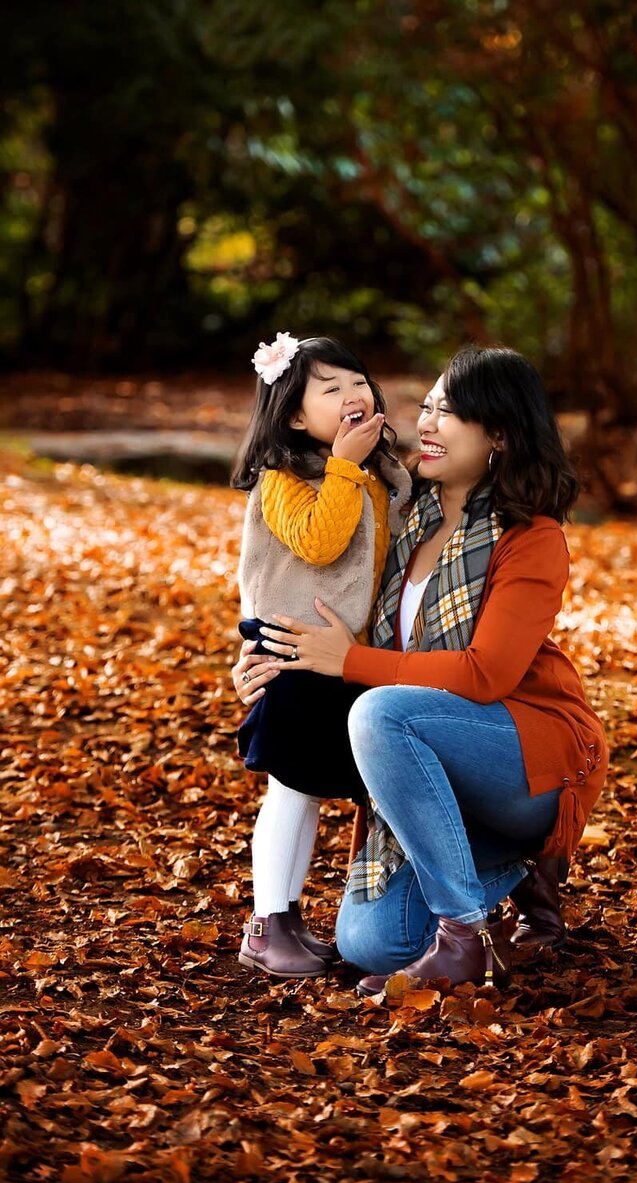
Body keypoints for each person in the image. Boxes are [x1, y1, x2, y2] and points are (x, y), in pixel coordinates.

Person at [236, 346, 607, 996]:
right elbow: (321, 578)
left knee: (380, 710)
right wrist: (271, 652)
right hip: (435, 760)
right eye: (428, 406)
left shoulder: (531, 537)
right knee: (368, 942)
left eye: (449, 412)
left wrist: (347, 662)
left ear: (499, 434)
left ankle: (466, 935)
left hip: (529, 756)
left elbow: (485, 673)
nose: (427, 423)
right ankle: (521, 871)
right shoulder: (405, 513)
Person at [231, 332, 411, 980]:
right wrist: (343, 466)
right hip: (293, 651)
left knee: (326, 784)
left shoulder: (381, 474)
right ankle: (266, 920)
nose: (352, 394)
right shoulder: (284, 479)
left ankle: (301, 916)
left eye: (357, 381)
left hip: (344, 656)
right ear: (296, 416)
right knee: (292, 786)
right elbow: (319, 542)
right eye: (330, 389)